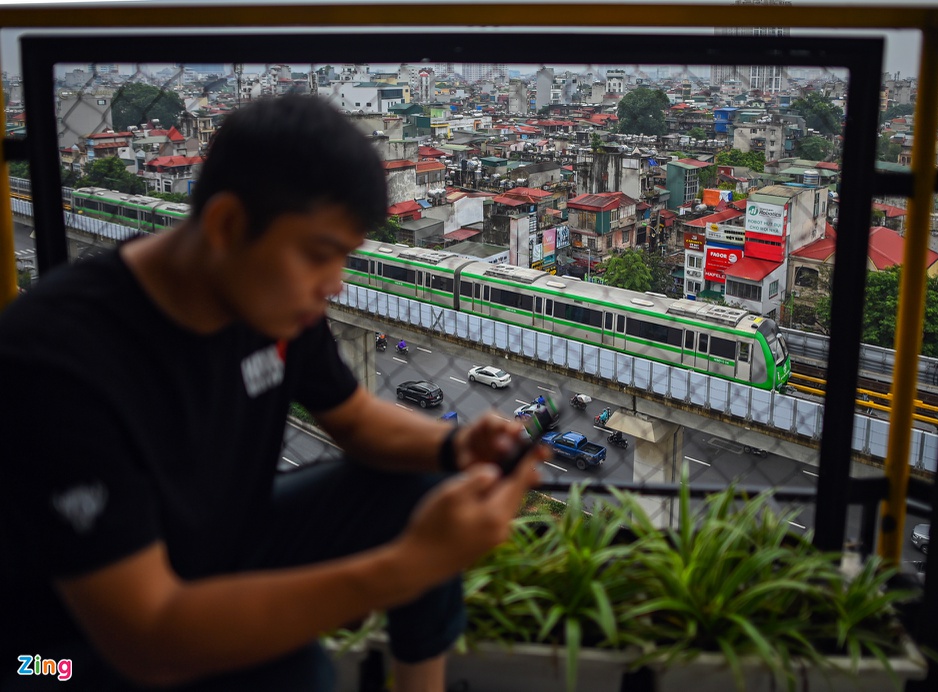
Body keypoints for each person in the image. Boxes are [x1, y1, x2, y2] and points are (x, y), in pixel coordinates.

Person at [0, 94, 544, 691]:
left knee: (422, 482)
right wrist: (405, 566)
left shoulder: (268, 297)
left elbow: (358, 420)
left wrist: (458, 446)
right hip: (59, 650)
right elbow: (148, 639)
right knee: (296, 672)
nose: (333, 287)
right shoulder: (55, 360)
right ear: (228, 226)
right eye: (319, 256)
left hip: (225, 544)